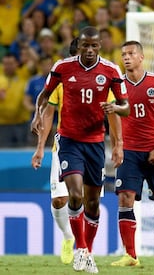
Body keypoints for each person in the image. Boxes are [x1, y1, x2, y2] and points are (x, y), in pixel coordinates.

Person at [31, 26, 130, 274]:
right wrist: (37, 115)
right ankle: (82, 250)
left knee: (93, 202)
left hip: (95, 143)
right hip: (69, 141)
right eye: (85, 45)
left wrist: (115, 110)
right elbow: (44, 95)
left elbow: (126, 106)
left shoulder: (111, 70)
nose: (89, 50)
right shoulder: (63, 67)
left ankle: (87, 250)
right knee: (74, 194)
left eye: (93, 46)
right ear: (80, 45)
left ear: (100, 46)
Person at [110, 41, 154, 267]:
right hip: (129, 152)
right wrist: (117, 145)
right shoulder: (117, 86)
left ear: (141, 57)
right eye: (123, 54)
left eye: (131, 53)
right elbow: (114, 118)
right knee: (124, 199)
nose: (126, 58)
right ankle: (131, 256)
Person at [30, 39, 78, 265]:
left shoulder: (104, 77)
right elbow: (49, 113)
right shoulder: (62, 80)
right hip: (65, 144)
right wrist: (40, 148)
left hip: (94, 144)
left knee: (87, 201)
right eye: (80, 51)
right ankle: (68, 237)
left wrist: (118, 144)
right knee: (60, 200)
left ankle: (85, 248)